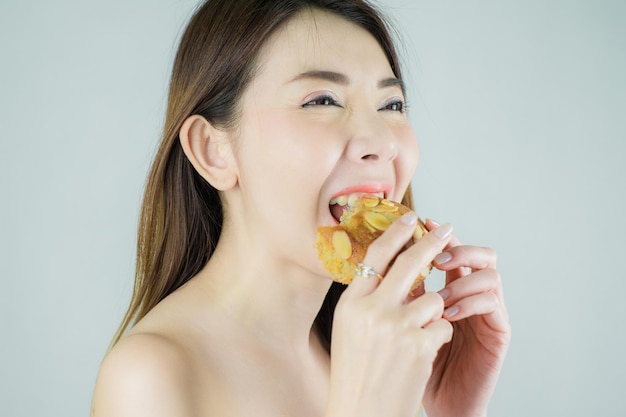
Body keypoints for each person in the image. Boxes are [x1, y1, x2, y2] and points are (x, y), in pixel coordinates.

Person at [90, 1, 511, 416]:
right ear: (213, 150)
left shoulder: (367, 355)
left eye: (392, 105)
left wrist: (452, 414)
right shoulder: (148, 377)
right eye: (323, 101)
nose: (382, 142)